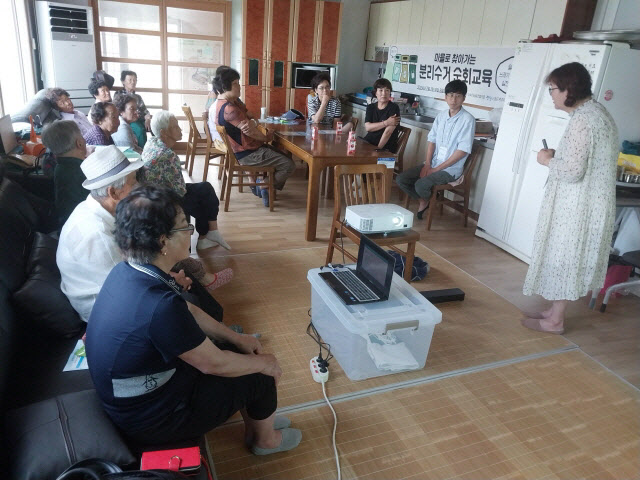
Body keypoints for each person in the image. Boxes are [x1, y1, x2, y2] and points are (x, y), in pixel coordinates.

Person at [85, 184, 302, 452]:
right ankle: (265, 441)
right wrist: (265, 364)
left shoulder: (128, 271)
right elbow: (214, 365)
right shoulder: (157, 307)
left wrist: (237, 337)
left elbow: (187, 310)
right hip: (152, 419)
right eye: (185, 226)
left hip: (139, 397)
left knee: (238, 348)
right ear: (163, 241)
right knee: (261, 371)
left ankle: (259, 421)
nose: (190, 232)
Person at [57, 145, 231, 324]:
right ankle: (218, 339)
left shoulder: (96, 208)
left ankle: (218, 329)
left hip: (121, 287)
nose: (139, 186)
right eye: (133, 182)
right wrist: (171, 281)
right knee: (185, 299)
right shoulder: (98, 236)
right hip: (104, 309)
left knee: (177, 261)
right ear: (113, 192)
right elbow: (128, 288)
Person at [521, 62, 619, 334]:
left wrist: (546, 160)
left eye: (553, 89)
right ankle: (554, 310)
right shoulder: (596, 112)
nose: (551, 95)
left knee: (564, 257)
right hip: (587, 203)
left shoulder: (584, 120)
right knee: (564, 256)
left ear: (569, 90)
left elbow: (573, 171)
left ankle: (555, 321)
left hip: (578, 205)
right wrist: (557, 157)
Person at [140, 110, 230, 251]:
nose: (180, 129)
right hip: (164, 201)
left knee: (205, 189)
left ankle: (209, 234)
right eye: (175, 127)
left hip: (155, 195)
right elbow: (180, 191)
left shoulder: (151, 142)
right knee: (203, 200)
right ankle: (207, 235)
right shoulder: (167, 155)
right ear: (164, 132)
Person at [211, 67, 296, 207]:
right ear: (226, 86)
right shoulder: (230, 109)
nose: (239, 86)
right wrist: (266, 138)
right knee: (288, 165)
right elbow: (251, 132)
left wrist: (253, 123)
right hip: (248, 153)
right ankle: (264, 185)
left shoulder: (229, 103)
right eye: (236, 83)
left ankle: (265, 185)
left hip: (247, 150)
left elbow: (251, 118)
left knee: (283, 155)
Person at [396, 79, 475, 219]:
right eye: (450, 95)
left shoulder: (468, 119)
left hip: (450, 170)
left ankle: (427, 198)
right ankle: (423, 200)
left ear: (464, 98)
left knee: (421, 185)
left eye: (458, 95)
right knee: (401, 179)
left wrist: (435, 170)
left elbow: (462, 151)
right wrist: (427, 164)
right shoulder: (442, 115)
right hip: (433, 163)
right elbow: (431, 140)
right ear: (445, 97)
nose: (453, 99)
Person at [41, 120, 89, 226]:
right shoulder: (84, 172)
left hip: (67, 223)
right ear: (80, 143)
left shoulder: (60, 167)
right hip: (82, 224)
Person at [115, 70, 151, 148]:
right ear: (123, 81)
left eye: (135, 80)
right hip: (130, 119)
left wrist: (148, 119)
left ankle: (161, 151)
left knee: (157, 125)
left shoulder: (138, 97)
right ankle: (143, 151)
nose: (133, 82)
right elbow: (119, 111)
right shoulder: (119, 95)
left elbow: (145, 111)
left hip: (141, 119)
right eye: (130, 80)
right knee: (140, 130)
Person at [363, 78, 401, 151]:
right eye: (381, 90)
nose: (384, 93)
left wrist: (378, 149)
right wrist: (386, 123)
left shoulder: (394, 108)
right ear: (376, 93)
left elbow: (388, 132)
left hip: (385, 147)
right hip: (369, 142)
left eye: (387, 90)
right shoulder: (371, 107)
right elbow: (368, 127)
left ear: (390, 93)